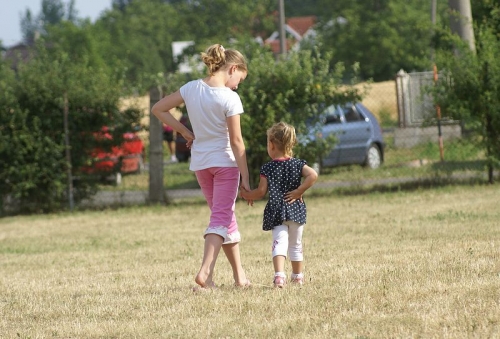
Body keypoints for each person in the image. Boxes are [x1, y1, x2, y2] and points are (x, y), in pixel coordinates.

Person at [151, 43, 251, 290]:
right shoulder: (230, 97)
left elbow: (158, 109)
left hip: (201, 165)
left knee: (225, 220)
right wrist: (246, 179)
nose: (238, 84)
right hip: (225, 164)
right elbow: (237, 142)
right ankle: (206, 273)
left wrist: (184, 131)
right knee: (220, 219)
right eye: (240, 78)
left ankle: (240, 278)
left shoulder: (191, 88)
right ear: (233, 68)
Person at [240, 122, 318, 288]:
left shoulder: (268, 168)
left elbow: (261, 192)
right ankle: (298, 277)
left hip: (277, 211)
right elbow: (313, 175)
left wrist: (246, 194)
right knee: (296, 244)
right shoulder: (298, 164)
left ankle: (279, 277)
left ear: (271, 144)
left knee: (279, 242)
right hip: (296, 210)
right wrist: (299, 191)